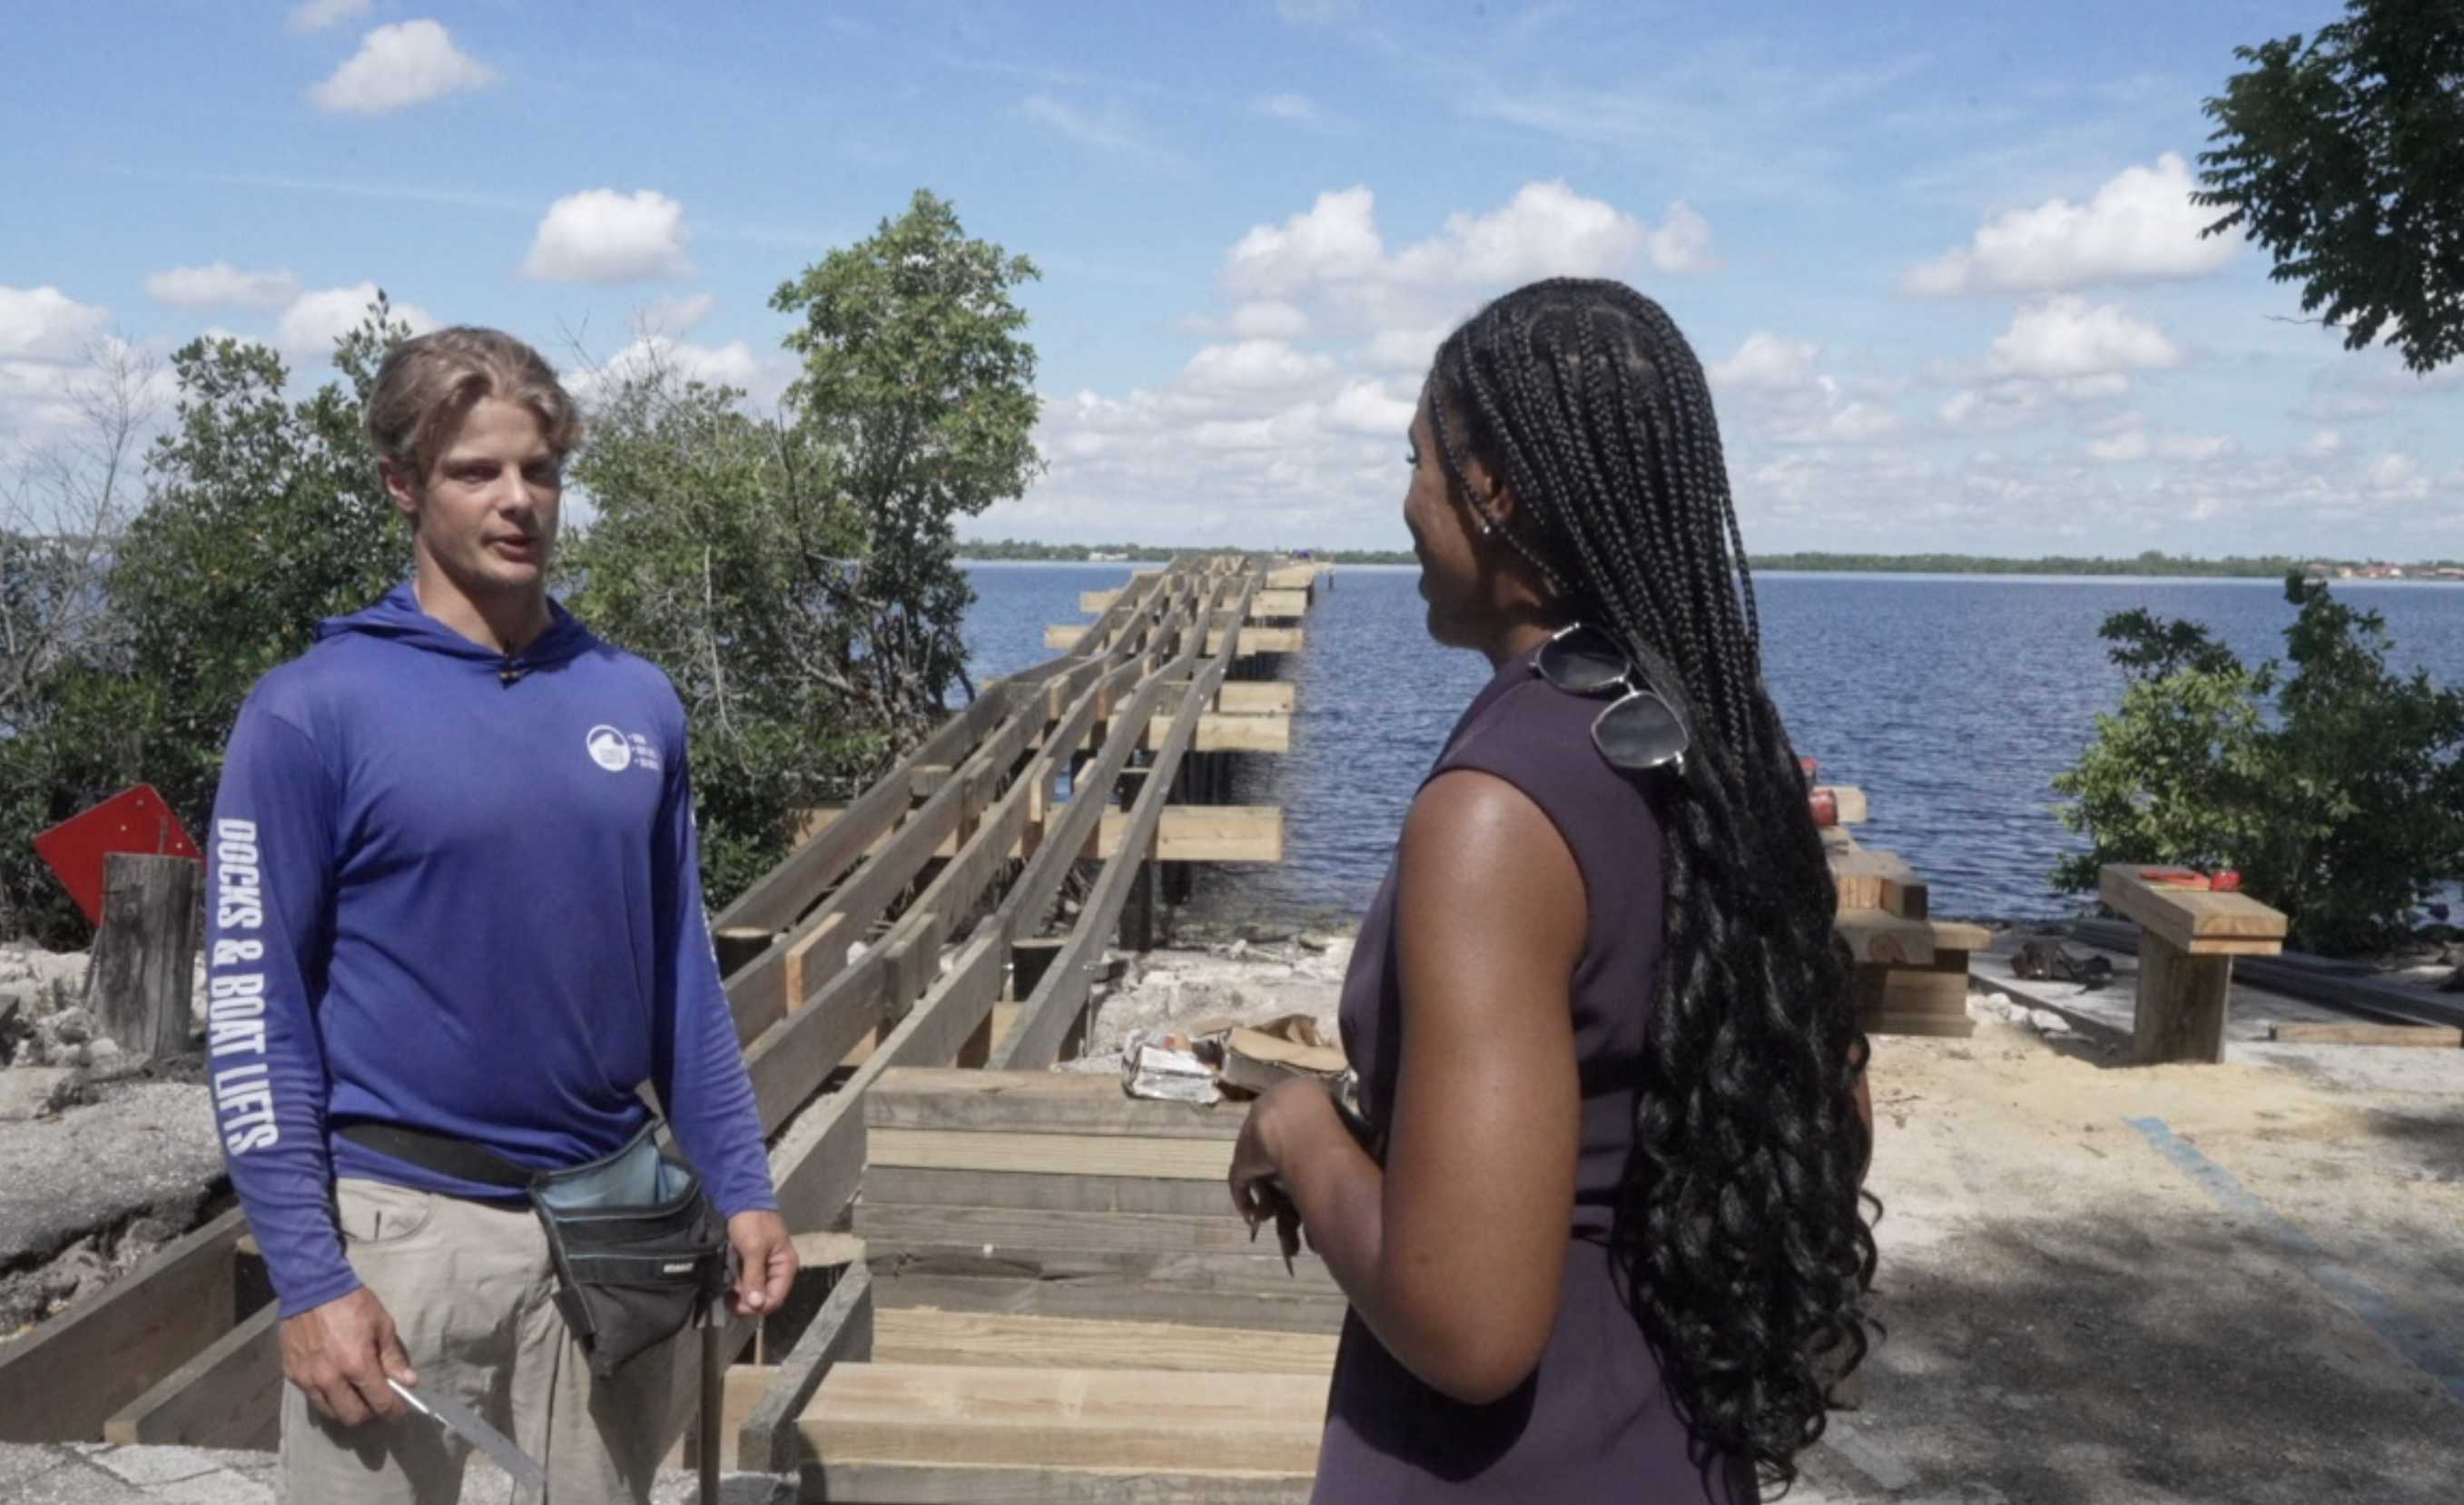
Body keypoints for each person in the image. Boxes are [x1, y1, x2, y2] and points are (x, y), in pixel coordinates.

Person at [1230, 280, 1875, 1502]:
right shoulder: (1713, 741)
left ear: (1496, 492)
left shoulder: (1493, 812)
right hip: (1674, 1439)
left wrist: (1296, 1126)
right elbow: (1823, 1106)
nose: (1403, 502)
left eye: (1416, 460)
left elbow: (1468, 1323)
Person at [202, 325, 796, 1503]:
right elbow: (249, 1014)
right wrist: (312, 1278)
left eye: (540, 469)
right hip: (401, 1232)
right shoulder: (312, 712)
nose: (518, 500)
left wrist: (745, 1184)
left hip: (606, 1228)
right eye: (476, 471)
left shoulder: (633, 700)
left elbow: (679, 977)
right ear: (403, 483)